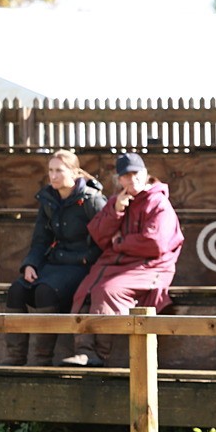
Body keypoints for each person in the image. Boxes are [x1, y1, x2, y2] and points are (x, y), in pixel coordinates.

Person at [60, 153, 184, 367]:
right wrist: (116, 211)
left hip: (151, 267)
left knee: (107, 291)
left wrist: (120, 243)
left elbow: (155, 244)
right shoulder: (117, 200)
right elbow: (99, 234)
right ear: (120, 179)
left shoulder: (159, 203)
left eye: (136, 173)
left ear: (145, 174)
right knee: (85, 289)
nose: (132, 179)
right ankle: (84, 350)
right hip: (117, 265)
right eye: (126, 176)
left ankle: (100, 354)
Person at [2, 150, 107, 365]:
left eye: (59, 170)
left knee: (45, 291)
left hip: (81, 266)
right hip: (55, 263)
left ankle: (42, 359)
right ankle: (15, 358)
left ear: (75, 173)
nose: (53, 176)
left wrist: (86, 258)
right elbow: (41, 239)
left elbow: (105, 239)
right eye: (50, 170)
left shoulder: (92, 200)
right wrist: (30, 265)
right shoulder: (48, 199)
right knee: (16, 290)